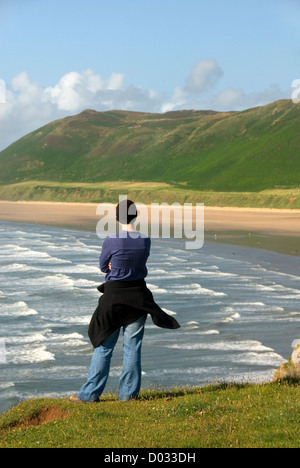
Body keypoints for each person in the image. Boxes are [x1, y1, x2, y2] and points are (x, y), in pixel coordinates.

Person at [70, 199, 180, 403]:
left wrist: (113, 265)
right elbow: (137, 263)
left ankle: (89, 395)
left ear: (117, 217)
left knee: (104, 347)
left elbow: (104, 267)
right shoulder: (145, 239)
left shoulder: (112, 240)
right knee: (132, 348)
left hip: (113, 298)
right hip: (138, 297)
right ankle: (128, 396)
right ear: (136, 215)